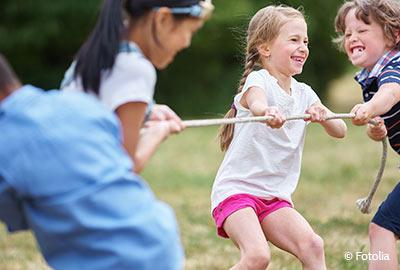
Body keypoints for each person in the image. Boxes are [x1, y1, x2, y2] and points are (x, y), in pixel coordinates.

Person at [0, 53, 184, 270]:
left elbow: (17, 214)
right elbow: (122, 160)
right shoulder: (78, 103)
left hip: (108, 260)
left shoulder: (6, 141)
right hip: (161, 240)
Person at [212, 5, 347, 270]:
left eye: (305, 41)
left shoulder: (305, 93)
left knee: (313, 246)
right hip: (237, 192)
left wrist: (324, 115)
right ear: (265, 48)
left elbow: (341, 130)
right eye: (294, 40)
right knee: (258, 256)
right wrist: (266, 112)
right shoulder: (258, 81)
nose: (303, 47)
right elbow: (257, 102)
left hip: (274, 197)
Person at [61, 0, 214, 173]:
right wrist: (158, 132)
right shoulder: (136, 68)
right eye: (190, 31)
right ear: (163, 19)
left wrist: (149, 110)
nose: (187, 43)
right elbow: (123, 169)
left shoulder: (100, 54)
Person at [334, 0, 400, 269]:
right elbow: (382, 125)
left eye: (362, 30)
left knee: (382, 229)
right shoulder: (370, 78)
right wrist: (377, 127)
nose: (352, 38)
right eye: (348, 33)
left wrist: (370, 107)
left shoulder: (395, 65)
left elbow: (392, 93)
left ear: (394, 34)